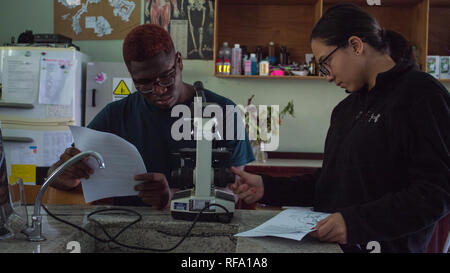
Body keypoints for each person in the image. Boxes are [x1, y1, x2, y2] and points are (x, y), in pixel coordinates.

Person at [229, 4, 449, 253]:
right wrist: (267, 186)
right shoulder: (345, 109)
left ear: (355, 45)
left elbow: (436, 191)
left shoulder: (421, 93)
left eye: (326, 62)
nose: (328, 76)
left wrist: (355, 223)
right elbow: (331, 183)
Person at [49, 24, 254, 209]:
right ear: (132, 77)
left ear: (179, 61)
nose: (159, 91)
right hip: (129, 234)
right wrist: (64, 173)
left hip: (204, 231)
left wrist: (171, 198)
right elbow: (56, 177)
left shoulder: (224, 111)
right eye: (145, 83)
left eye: (166, 77)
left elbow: (234, 193)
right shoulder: (115, 117)